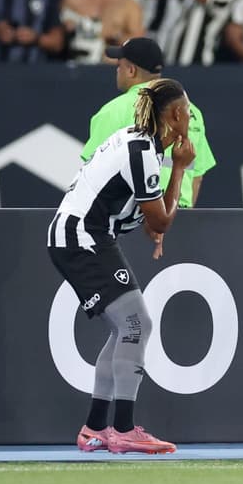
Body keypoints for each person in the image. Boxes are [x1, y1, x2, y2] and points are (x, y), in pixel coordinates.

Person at [47, 78, 195, 454]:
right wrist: (180, 169)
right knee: (136, 323)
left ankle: (94, 428)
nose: (191, 115)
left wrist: (159, 206)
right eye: (188, 109)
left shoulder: (140, 142)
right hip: (82, 237)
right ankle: (124, 429)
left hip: (82, 235)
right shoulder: (144, 150)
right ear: (176, 115)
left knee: (124, 329)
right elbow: (159, 222)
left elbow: (149, 220)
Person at [82, 37, 216, 209]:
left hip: (132, 217)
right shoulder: (191, 111)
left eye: (119, 66)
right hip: (180, 215)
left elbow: (93, 174)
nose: (117, 71)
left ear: (131, 71)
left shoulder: (114, 110)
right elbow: (197, 174)